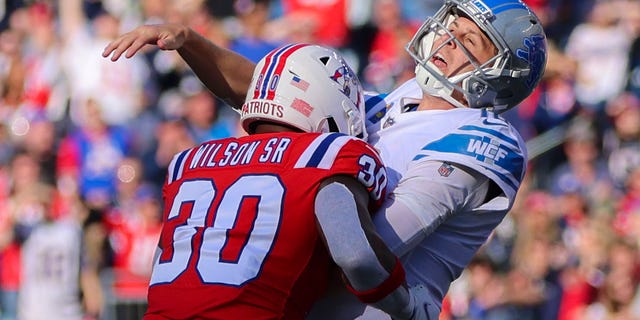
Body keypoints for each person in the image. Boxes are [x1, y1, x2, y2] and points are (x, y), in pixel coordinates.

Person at [103, 0, 548, 318]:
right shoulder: (394, 102)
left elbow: (367, 250)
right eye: (451, 25)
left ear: (501, 75)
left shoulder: (488, 141)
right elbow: (273, 91)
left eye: (469, 41)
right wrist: (189, 43)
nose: (447, 41)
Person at [141, 44, 427, 319]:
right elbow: (356, 256)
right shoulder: (328, 153)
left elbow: (162, 263)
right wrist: (408, 306)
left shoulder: (188, 161)